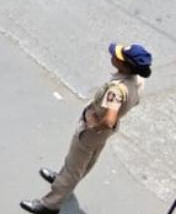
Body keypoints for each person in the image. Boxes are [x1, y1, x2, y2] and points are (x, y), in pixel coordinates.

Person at [20, 43, 152, 213]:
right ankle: (63, 181)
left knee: (74, 167)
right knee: (87, 161)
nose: (113, 56)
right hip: (104, 134)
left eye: (118, 57)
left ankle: (49, 204)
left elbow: (109, 120)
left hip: (92, 132)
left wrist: (93, 125)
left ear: (125, 66)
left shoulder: (117, 90)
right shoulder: (138, 81)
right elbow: (132, 104)